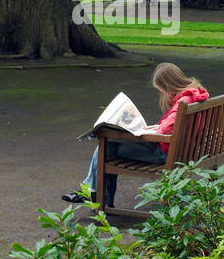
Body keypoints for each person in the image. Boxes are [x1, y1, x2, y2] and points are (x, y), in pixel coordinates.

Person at [62, 62, 209, 208]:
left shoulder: (184, 101)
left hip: (165, 154)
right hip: (182, 152)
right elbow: (176, 125)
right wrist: (160, 126)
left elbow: (166, 131)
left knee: (106, 145)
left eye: (162, 90)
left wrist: (150, 130)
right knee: (107, 146)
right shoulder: (195, 96)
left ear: (169, 86)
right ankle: (95, 195)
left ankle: (95, 196)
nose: (163, 94)